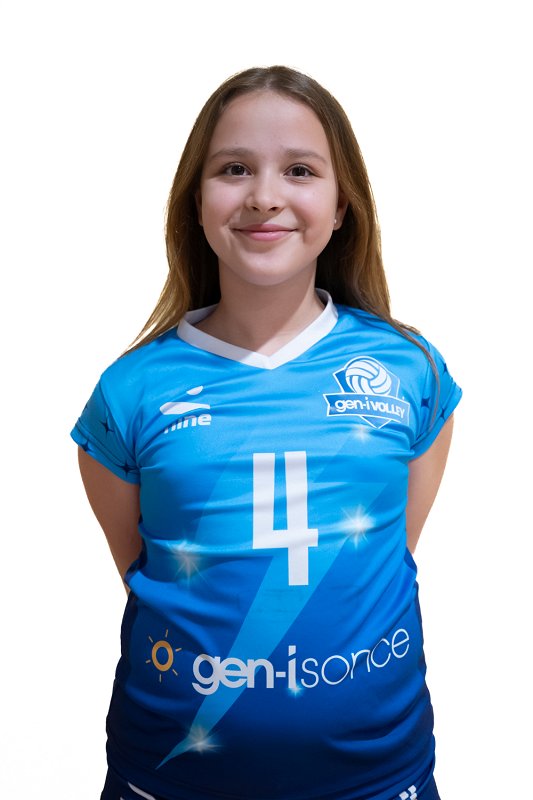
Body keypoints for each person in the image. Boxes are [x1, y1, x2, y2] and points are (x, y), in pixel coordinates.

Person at [72, 66, 462, 800]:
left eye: (300, 170)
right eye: (233, 169)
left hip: (378, 781)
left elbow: (388, 554)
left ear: (341, 206)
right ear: (195, 201)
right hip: (170, 779)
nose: (263, 196)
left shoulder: (409, 370)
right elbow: (145, 572)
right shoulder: (130, 391)